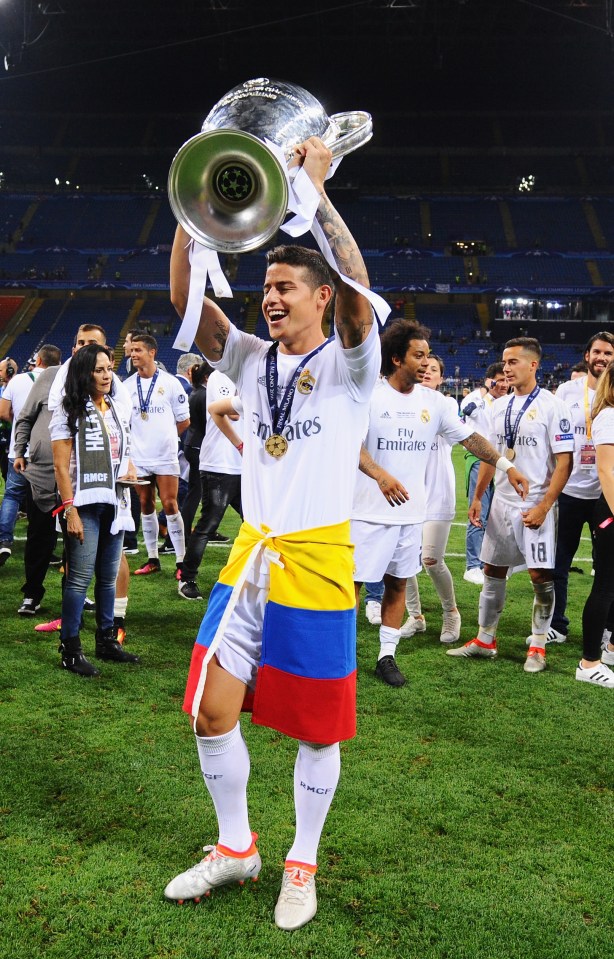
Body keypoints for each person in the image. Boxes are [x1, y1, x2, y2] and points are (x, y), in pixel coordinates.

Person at [165, 136, 380, 930]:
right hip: (252, 557)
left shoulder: (354, 361)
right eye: (268, 285)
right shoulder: (253, 358)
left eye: (287, 285)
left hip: (318, 561)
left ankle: (302, 861)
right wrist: (194, 216)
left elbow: (360, 293)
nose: (272, 297)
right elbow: (192, 300)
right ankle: (237, 846)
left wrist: (316, 193)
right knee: (211, 711)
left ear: (320, 297)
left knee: (315, 727)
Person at [353, 322, 527, 688]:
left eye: (428, 355)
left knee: (398, 583)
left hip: (410, 515)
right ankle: (337, 654)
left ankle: (386, 656)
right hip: (365, 513)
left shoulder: (435, 403)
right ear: (396, 358)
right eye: (419, 355)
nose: (426, 362)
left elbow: (471, 439)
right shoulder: (369, 395)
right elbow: (352, 447)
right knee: (349, 587)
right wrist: (380, 476)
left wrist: (506, 466)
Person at [448, 337, 574, 673]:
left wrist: (545, 505)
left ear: (533, 365)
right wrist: (478, 497)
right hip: (501, 504)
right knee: (492, 571)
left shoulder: (551, 405)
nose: (506, 368)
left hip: (536, 505)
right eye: (504, 362)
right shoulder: (498, 407)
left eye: (513, 361)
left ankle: (538, 645)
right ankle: (485, 640)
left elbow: (564, 462)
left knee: (540, 576)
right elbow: (492, 456)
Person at [50, 345, 140, 676]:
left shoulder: (116, 407)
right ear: (84, 373)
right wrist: (69, 510)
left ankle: (106, 641)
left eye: (108, 369)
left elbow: (124, 449)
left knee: (106, 579)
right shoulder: (68, 408)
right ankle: (70, 648)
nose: (106, 376)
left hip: (115, 501)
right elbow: (61, 466)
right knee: (79, 580)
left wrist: (129, 470)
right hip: (83, 504)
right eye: (98, 370)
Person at [544, 332, 614, 644]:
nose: (602, 358)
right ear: (587, 355)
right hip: (570, 491)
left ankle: (607, 631)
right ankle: (557, 624)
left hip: (604, 494)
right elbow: (554, 437)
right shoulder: (566, 390)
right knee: (559, 562)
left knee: (607, 567)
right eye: (597, 351)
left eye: (609, 353)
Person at [401, 354, 462, 644]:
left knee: (431, 559)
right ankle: (415, 616)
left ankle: (451, 612)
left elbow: (448, 432)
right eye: (423, 367)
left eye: (434, 369)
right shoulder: (401, 403)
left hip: (437, 492)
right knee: (401, 560)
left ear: (441, 379)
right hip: (408, 492)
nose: (427, 372)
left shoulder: (446, 404)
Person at [124, 333, 190, 576]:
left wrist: (166, 437)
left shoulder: (171, 383)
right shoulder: (126, 386)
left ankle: (181, 562)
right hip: (139, 456)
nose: (133, 355)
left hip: (164, 456)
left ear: (152, 352)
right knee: (145, 504)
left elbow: (184, 421)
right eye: (132, 351)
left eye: (138, 350)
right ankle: (152, 559)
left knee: (171, 504)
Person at [177, 369, 242, 601]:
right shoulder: (220, 377)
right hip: (219, 463)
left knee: (257, 523)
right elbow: (232, 414)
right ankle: (187, 577)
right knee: (209, 522)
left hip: (246, 464)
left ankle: (250, 577)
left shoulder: (254, 375)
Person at [0, 347, 61, 566]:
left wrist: (18, 425)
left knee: (13, 496)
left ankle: (4, 540)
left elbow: (3, 412)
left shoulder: (17, 380)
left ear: (38, 359)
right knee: (47, 502)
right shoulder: (59, 380)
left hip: (19, 450)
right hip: (46, 452)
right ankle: (49, 550)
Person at [12, 349, 63, 614]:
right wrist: (20, 451)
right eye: (81, 342)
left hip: (80, 475)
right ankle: (32, 594)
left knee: (80, 542)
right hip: (42, 472)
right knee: (39, 537)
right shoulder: (51, 376)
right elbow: (26, 417)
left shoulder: (98, 381)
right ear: (74, 350)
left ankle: (75, 594)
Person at [576, 360, 614, 688]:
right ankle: (589, 662)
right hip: (612, 510)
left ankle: (612, 648)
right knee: (605, 585)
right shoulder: (609, 415)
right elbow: (607, 471)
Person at [460, 363, 508, 585]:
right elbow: (465, 417)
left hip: (502, 461)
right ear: (489, 381)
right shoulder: (475, 401)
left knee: (497, 514)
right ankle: (472, 565)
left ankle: (490, 561)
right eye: (500, 380)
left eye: (507, 380)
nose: (504, 385)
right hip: (480, 460)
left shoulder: (508, 403)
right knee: (479, 510)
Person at [180, 360, 214, 537]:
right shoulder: (205, 395)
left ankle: (204, 529)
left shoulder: (196, 392)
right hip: (199, 447)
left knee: (198, 492)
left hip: (193, 445)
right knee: (195, 494)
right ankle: (182, 534)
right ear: (208, 377)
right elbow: (209, 424)